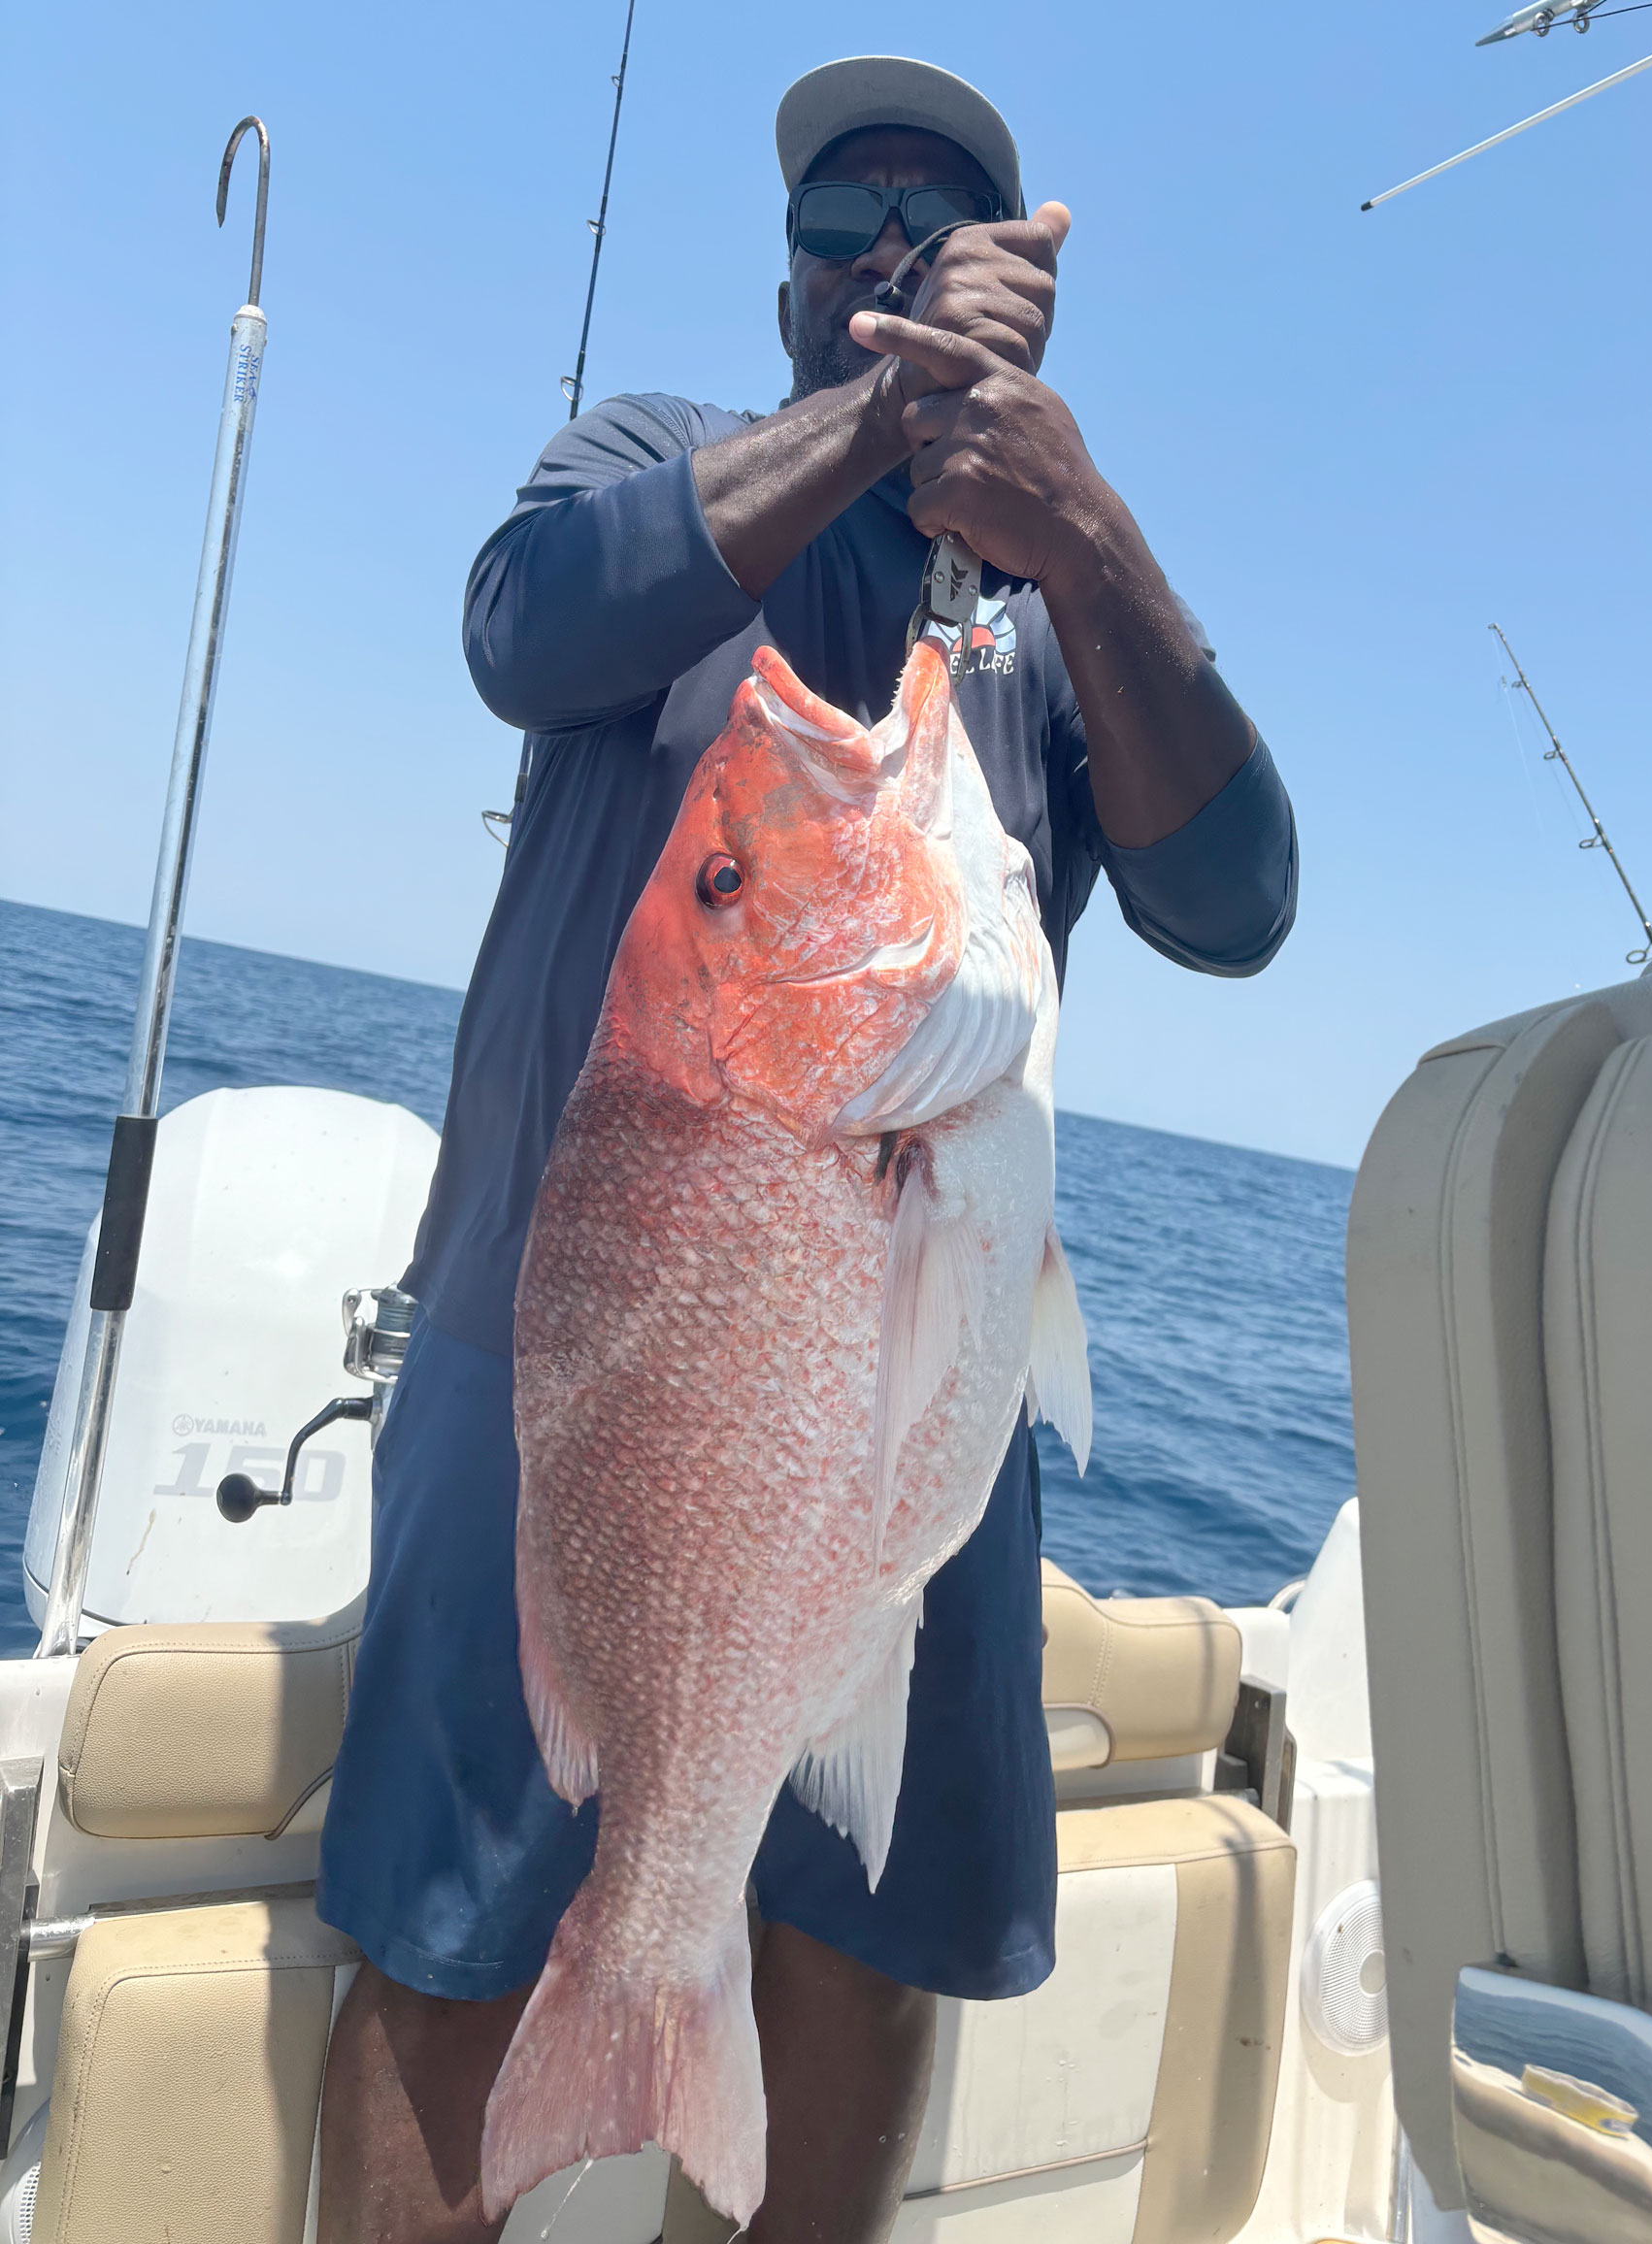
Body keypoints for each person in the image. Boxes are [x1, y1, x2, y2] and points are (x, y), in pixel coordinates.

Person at [314, 54, 1297, 2244]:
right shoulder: (659, 461)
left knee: (855, 1958)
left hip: (910, 1384)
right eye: (837, 219)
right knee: (460, 1938)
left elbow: (1236, 902)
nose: (875, 246)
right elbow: (525, 623)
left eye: (932, 223)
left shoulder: (1046, 619)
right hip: (549, 1355)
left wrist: (1088, 529)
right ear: (788, 281)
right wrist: (882, 411)